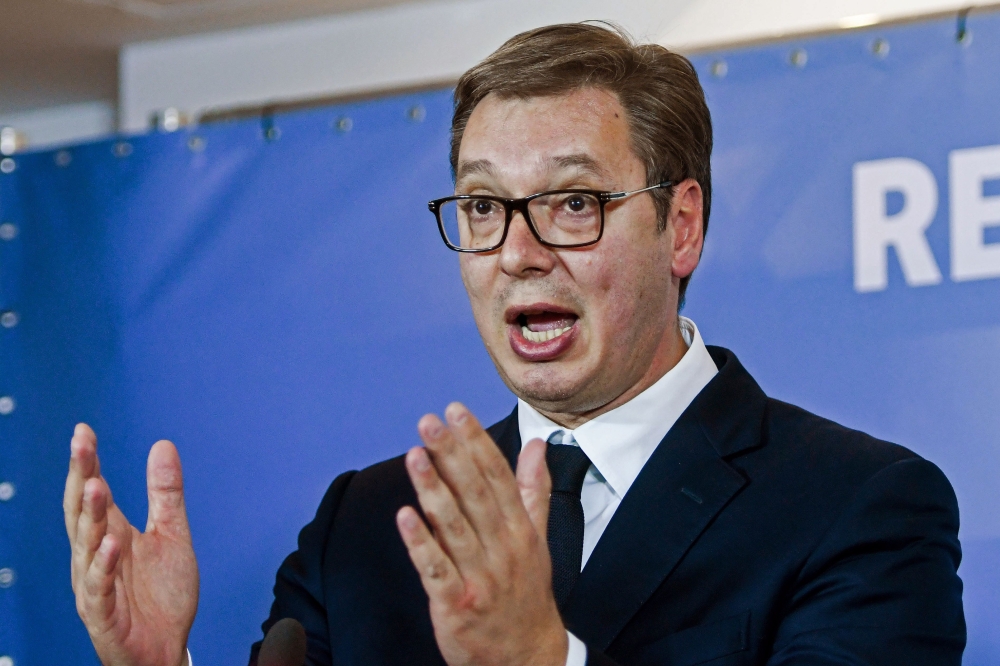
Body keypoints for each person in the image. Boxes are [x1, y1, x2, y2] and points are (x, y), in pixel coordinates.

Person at [63, 22, 965, 666]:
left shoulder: (860, 509)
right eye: (486, 207)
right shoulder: (369, 529)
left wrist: (543, 659)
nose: (519, 254)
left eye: (574, 203)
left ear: (680, 226)